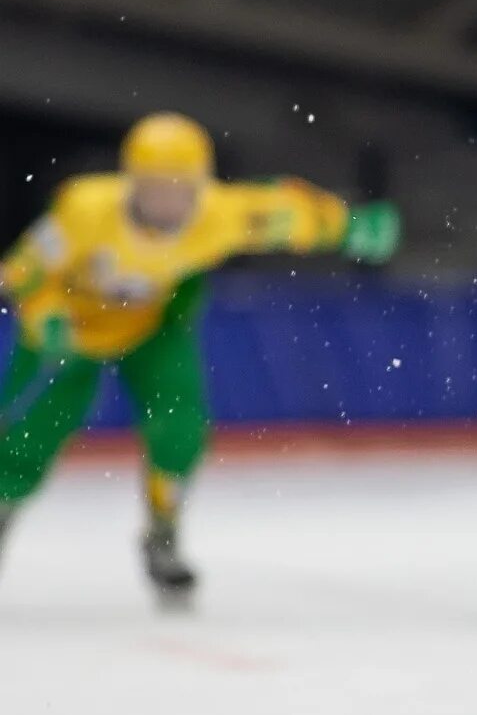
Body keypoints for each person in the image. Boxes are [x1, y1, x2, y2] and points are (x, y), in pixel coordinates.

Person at [0, 112, 400, 597]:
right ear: (131, 184)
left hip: (153, 326)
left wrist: (350, 227)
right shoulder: (85, 210)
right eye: (154, 187)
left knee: (181, 425)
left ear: (200, 187)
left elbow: (287, 212)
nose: (168, 201)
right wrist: (46, 317)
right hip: (68, 333)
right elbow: (23, 269)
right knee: (26, 437)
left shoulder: (220, 214)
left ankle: (162, 530)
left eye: (180, 187)